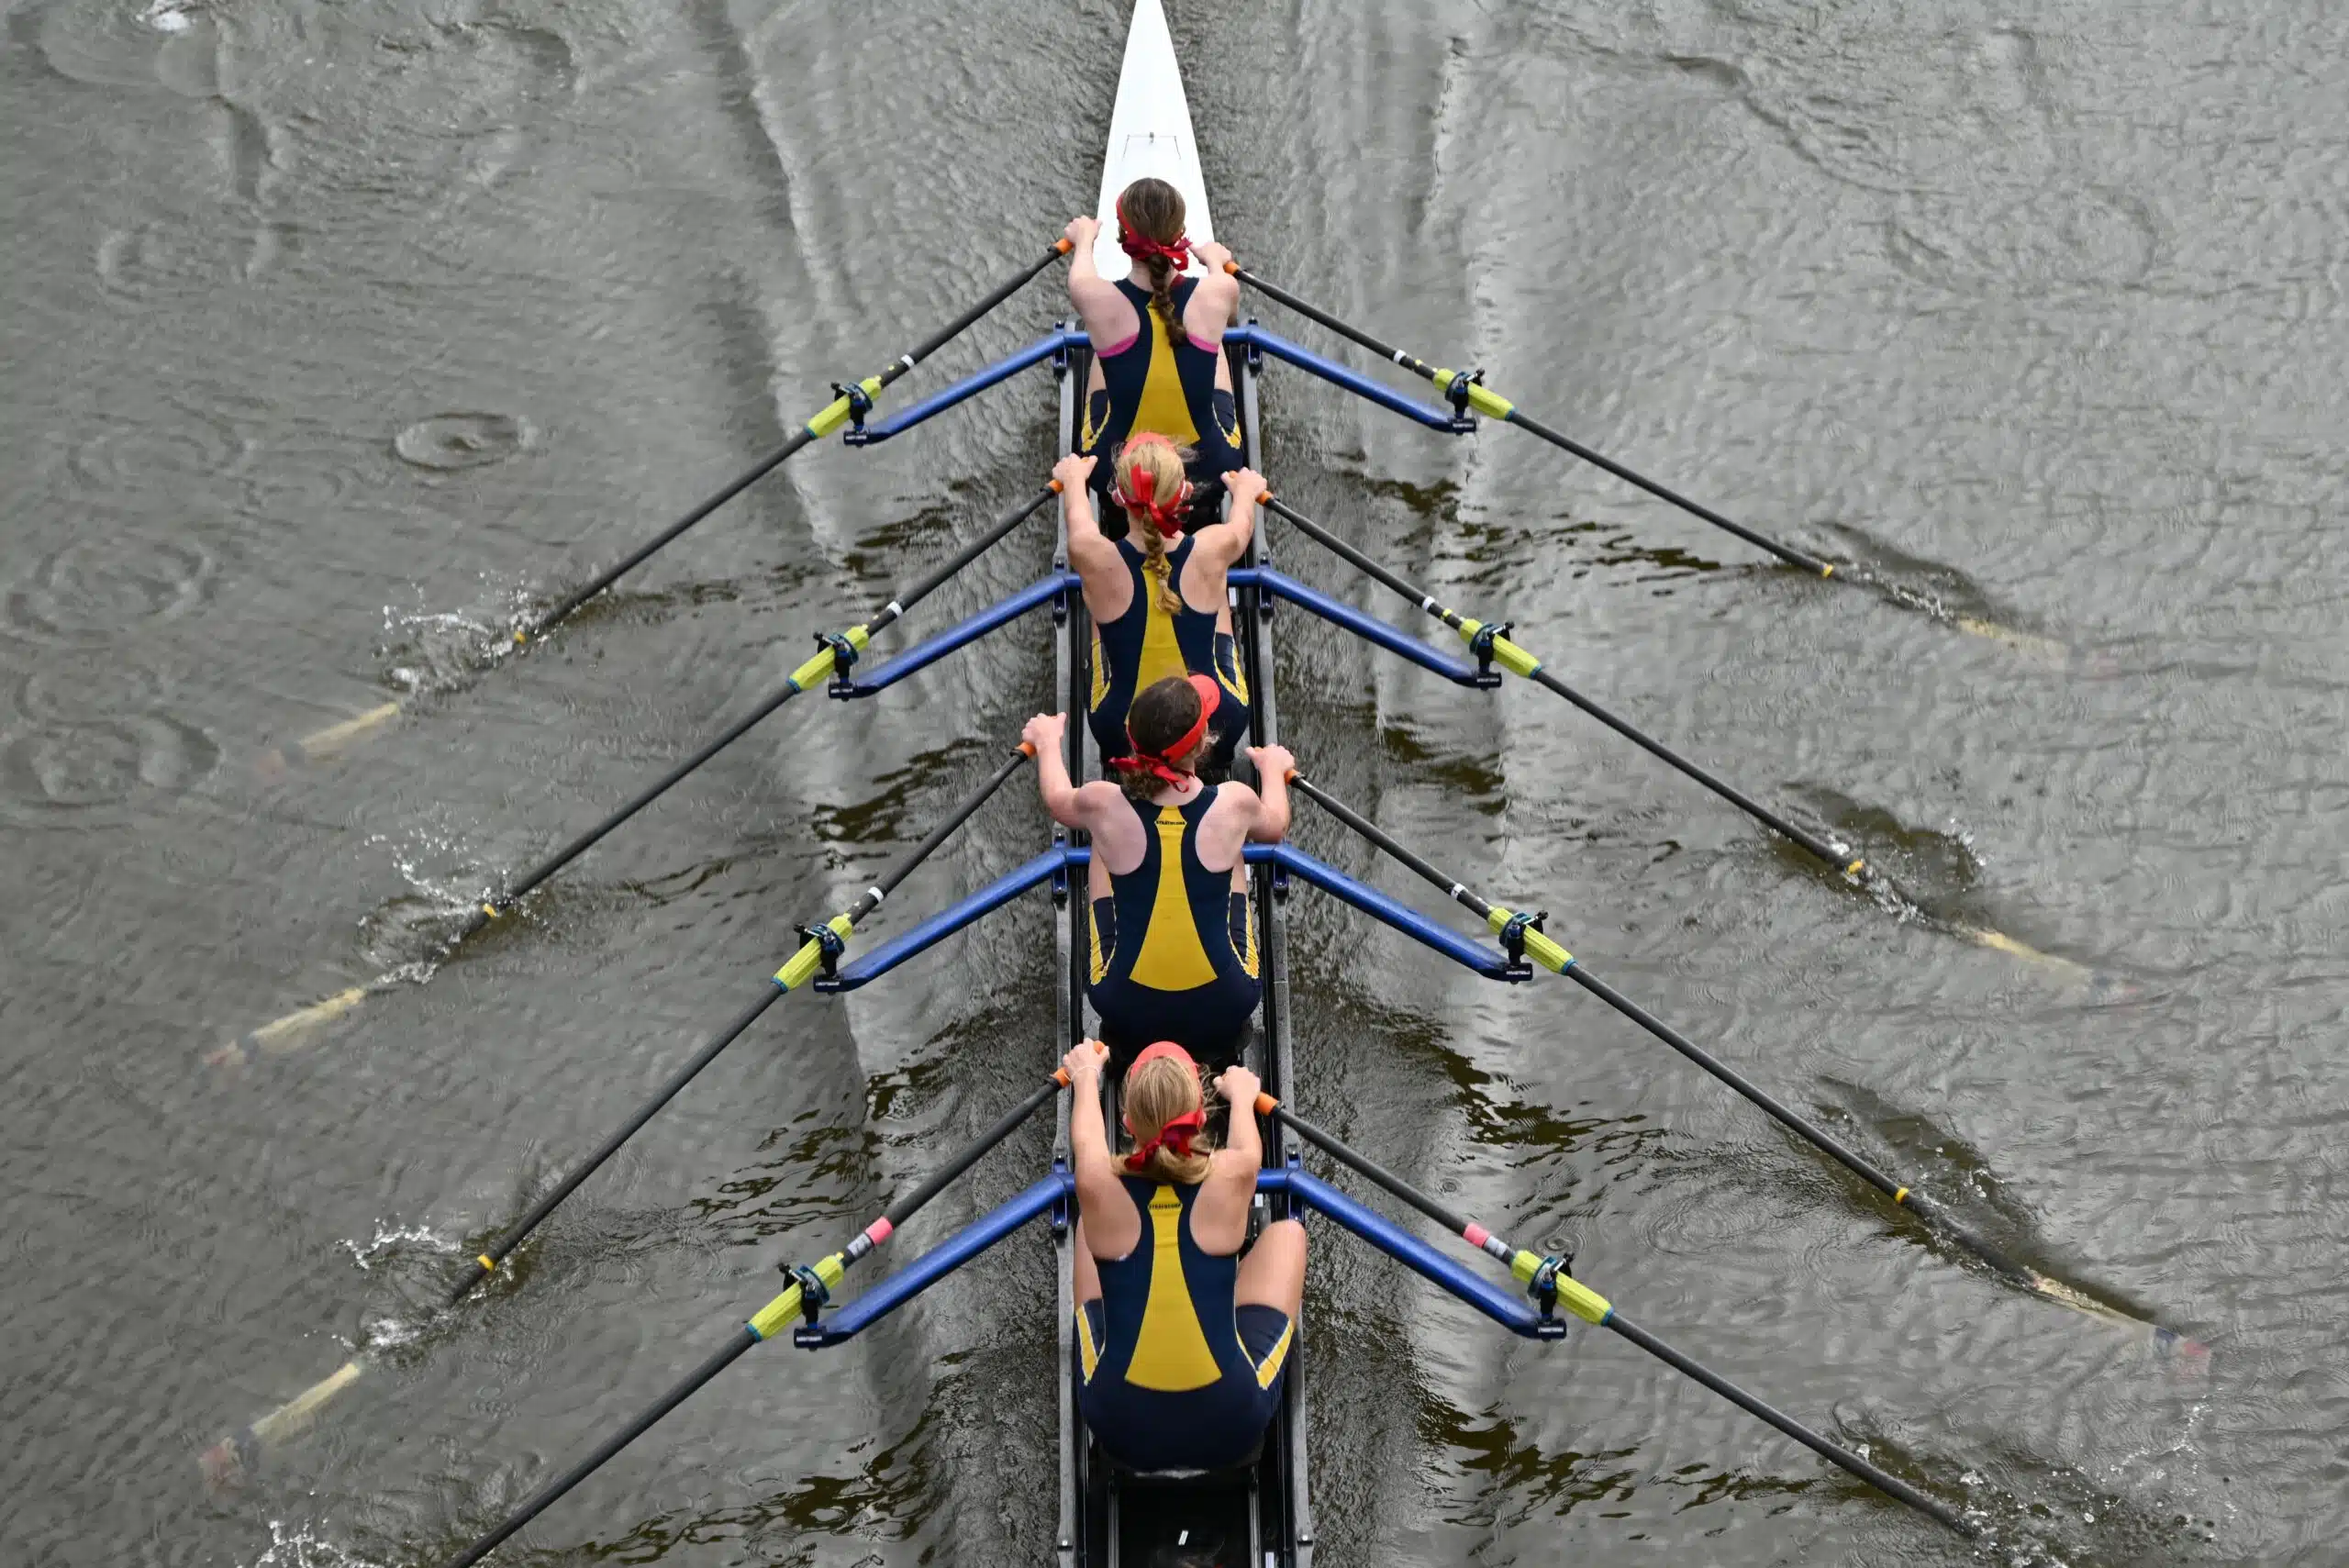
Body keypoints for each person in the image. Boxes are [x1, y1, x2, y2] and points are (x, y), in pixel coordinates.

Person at [1061, 1037, 1307, 1473]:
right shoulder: (1236, 1172)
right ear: (1202, 1116)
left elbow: (1086, 1136)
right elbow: (1247, 1145)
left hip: (1119, 1425)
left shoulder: (1096, 1184)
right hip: (1230, 1424)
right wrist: (1244, 1093)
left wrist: (1084, 1076)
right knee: (1288, 1233)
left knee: (1086, 1230)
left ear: (1126, 1122)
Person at [1024, 684, 1291, 1067]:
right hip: (1226, 1002)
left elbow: (1056, 799)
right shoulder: (1235, 802)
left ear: (1131, 739)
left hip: (1124, 1004)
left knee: (1102, 839)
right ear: (1203, 745)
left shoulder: (1102, 803)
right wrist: (1273, 769)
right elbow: (1276, 824)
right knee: (1231, 849)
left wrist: (1048, 742)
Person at [1054, 444, 1262, 773]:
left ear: (1118, 498)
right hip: (1217, 724)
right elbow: (1243, 527)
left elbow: (1078, 519)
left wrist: (1074, 479)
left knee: (1097, 595)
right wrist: (1246, 491)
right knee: (1216, 588)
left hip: (1122, 734)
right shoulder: (1214, 546)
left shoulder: (1091, 553)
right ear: (1186, 493)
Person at [1064, 178, 1244, 529]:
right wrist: (1215, 264)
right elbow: (1232, 317)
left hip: (1115, 472)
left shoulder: (1092, 296)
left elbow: (1081, 270)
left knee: (1104, 340)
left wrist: (1084, 238)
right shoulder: (1220, 289)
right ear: (1180, 234)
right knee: (1215, 336)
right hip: (1209, 471)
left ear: (1122, 238)